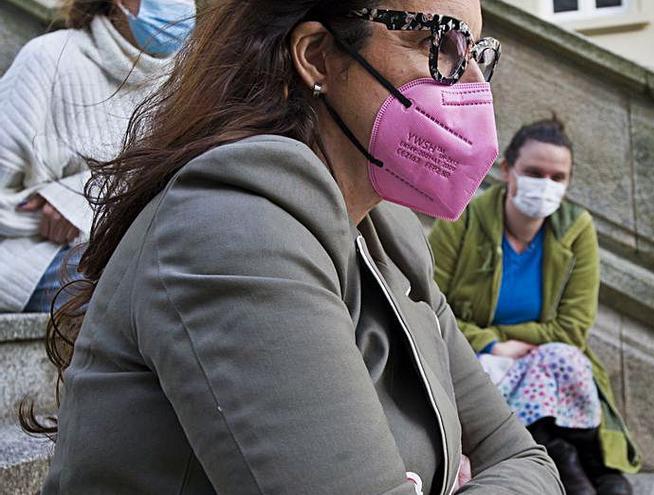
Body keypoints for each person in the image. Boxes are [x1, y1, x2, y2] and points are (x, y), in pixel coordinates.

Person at [22, 1, 564, 494]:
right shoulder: (231, 226)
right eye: (436, 44)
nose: (472, 84)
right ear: (317, 56)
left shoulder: (389, 239)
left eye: (475, 53)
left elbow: (526, 459)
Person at [429, 118, 641, 495]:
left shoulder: (576, 230)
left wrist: (512, 343)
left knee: (561, 359)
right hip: (476, 360)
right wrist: (493, 344)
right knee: (528, 366)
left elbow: (573, 328)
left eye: (557, 177)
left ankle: (589, 466)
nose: (545, 185)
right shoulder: (462, 221)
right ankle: (572, 471)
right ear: (507, 170)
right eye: (534, 172)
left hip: (547, 364)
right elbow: (427, 304)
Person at [0, 0, 194, 313]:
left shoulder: (186, 82)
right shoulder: (49, 59)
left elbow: (178, 186)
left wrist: (76, 201)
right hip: (33, 256)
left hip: (135, 250)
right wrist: (45, 215)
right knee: (134, 280)